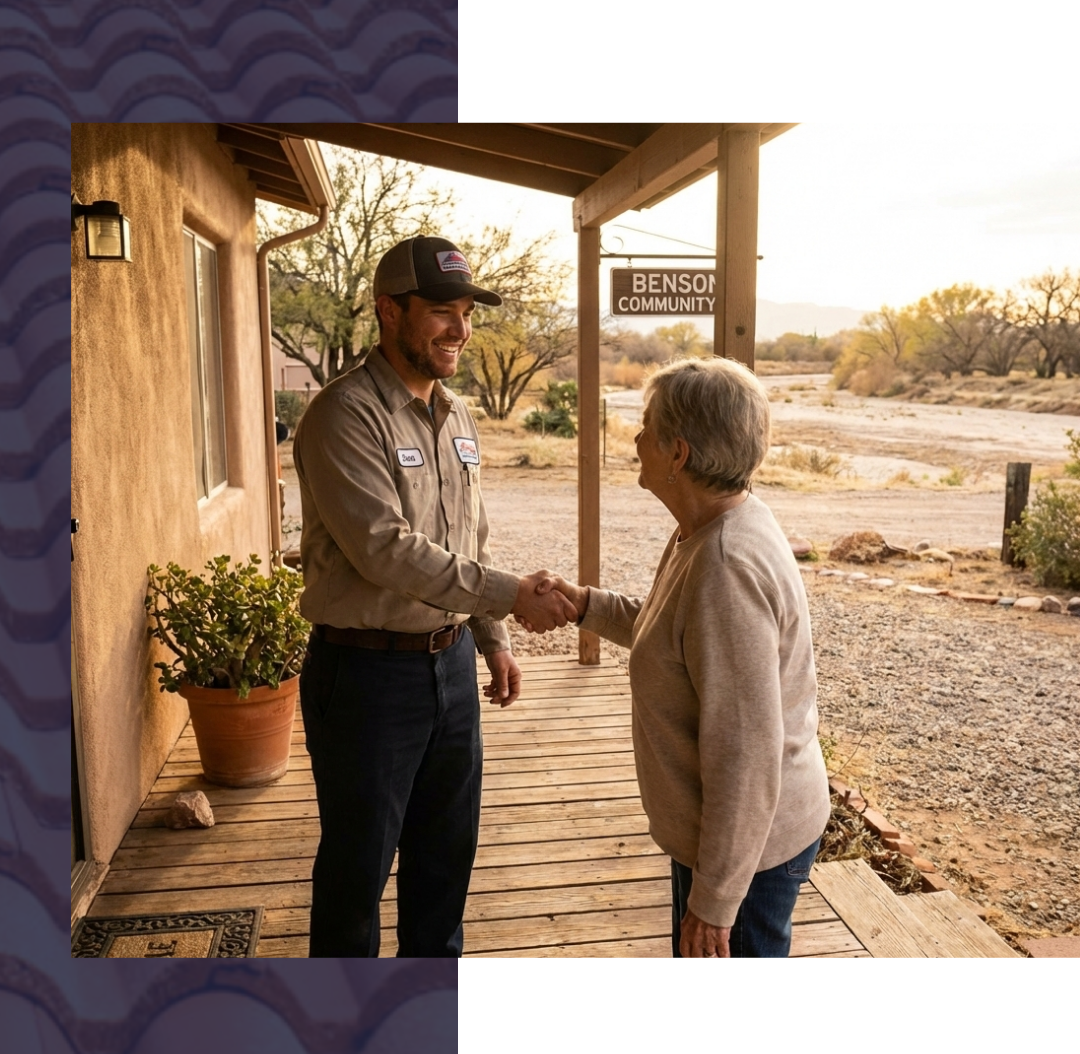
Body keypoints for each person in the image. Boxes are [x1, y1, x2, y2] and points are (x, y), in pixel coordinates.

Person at [292, 235, 576, 958]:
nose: (461, 330)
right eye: (442, 313)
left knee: (445, 864)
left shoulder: (458, 418)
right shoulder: (343, 416)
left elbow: (467, 540)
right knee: (358, 874)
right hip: (364, 679)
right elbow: (387, 550)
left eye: (467, 314)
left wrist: (493, 638)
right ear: (389, 311)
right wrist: (513, 595)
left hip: (448, 668)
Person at [525, 357, 831, 958]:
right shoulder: (713, 524)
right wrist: (587, 604)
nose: (636, 439)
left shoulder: (726, 567)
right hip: (728, 844)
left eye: (646, 426)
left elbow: (746, 752)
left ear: (678, 454)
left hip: (748, 860)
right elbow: (676, 638)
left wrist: (715, 901)